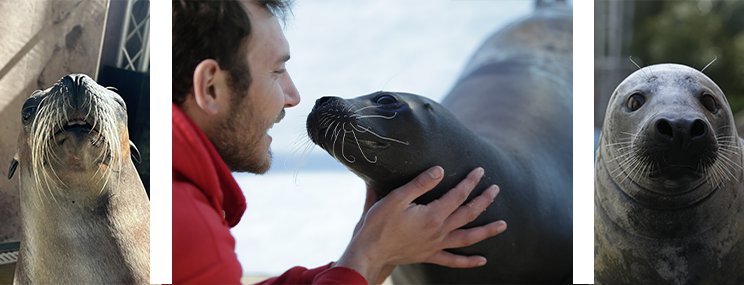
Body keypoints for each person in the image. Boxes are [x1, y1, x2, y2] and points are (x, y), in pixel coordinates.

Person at [172, 0, 508, 284]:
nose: (294, 96)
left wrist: (360, 258)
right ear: (211, 88)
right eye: (276, 71)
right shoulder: (190, 231)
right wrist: (368, 256)